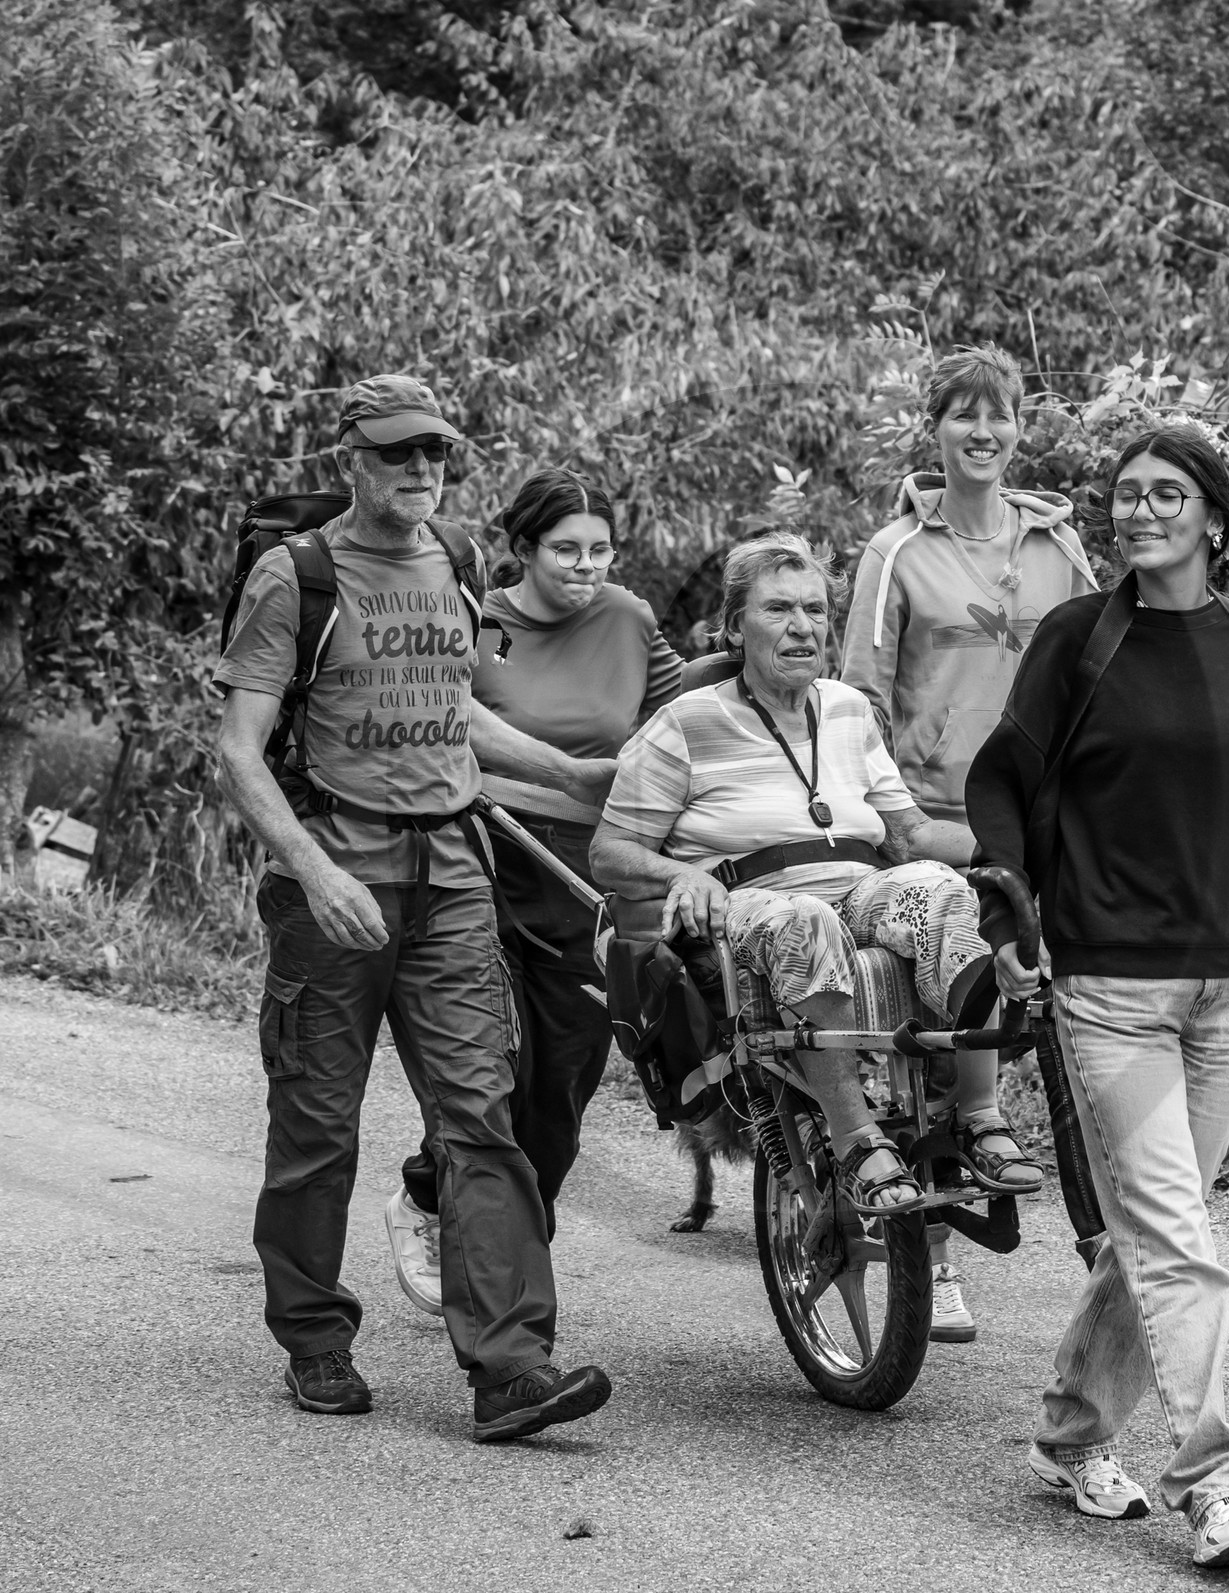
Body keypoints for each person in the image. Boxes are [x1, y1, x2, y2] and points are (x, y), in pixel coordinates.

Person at [966, 426, 1229, 1569]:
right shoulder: (1077, 638)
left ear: (1214, 518)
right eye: (1126, 495)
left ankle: (1070, 1433)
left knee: (1151, 1227)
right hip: (1111, 982)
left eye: (1167, 494)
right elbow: (1001, 781)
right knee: (1177, 1233)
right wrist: (1006, 912)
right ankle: (1216, 1478)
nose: (1140, 511)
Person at [215, 374, 613, 1442]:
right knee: (317, 1127)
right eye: (397, 453)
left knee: (483, 1119)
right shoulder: (292, 576)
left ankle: (512, 1368)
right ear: (351, 457)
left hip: (450, 881)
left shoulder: (462, 562)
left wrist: (572, 776)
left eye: (434, 452)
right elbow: (240, 754)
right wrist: (315, 871)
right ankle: (313, 1337)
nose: (420, 470)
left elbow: (456, 717)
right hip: (332, 886)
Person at [590, 532, 1044, 1214]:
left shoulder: (849, 710)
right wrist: (685, 875)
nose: (802, 626)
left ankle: (978, 1115)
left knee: (948, 891)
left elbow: (912, 831)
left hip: (860, 882)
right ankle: (856, 1136)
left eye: (814, 610)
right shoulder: (685, 722)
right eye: (778, 610)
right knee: (805, 921)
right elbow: (611, 849)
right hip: (755, 897)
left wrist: (1012, 852)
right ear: (735, 626)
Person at [843, 341, 1097, 1340]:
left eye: (1000, 414)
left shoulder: (1058, 548)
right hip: (933, 823)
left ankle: (1102, 1245)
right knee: (933, 1031)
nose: (982, 431)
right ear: (934, 428)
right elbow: (857, 698)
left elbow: (1093, 674)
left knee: (1035, 1025)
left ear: (1021, 426)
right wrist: (887, 820)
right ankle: (934, 1256)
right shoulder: (894, 551)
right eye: (963, 414)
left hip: (1043, 824)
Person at [385, 468, 682, 1310]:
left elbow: (678, 716)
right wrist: (564, 775)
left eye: (599, 550)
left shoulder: (628, 618)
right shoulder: (478, 620)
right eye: (565, 551)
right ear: (522, 550)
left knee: (563, 1083)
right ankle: (461, 1234)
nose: (586, 567)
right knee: (492, 1065)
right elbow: (441, 720)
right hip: (480, 852)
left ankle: (502, 1231)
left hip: (585, 872)